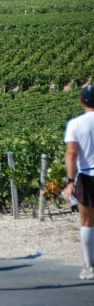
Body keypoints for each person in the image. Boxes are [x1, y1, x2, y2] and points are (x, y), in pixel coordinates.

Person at [63, 86, 94, 280]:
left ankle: (89, 265)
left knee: (87, 222)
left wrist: (69, 181)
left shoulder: (75, 124)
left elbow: (72, 154)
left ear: (81, 102)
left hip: (87, 174)